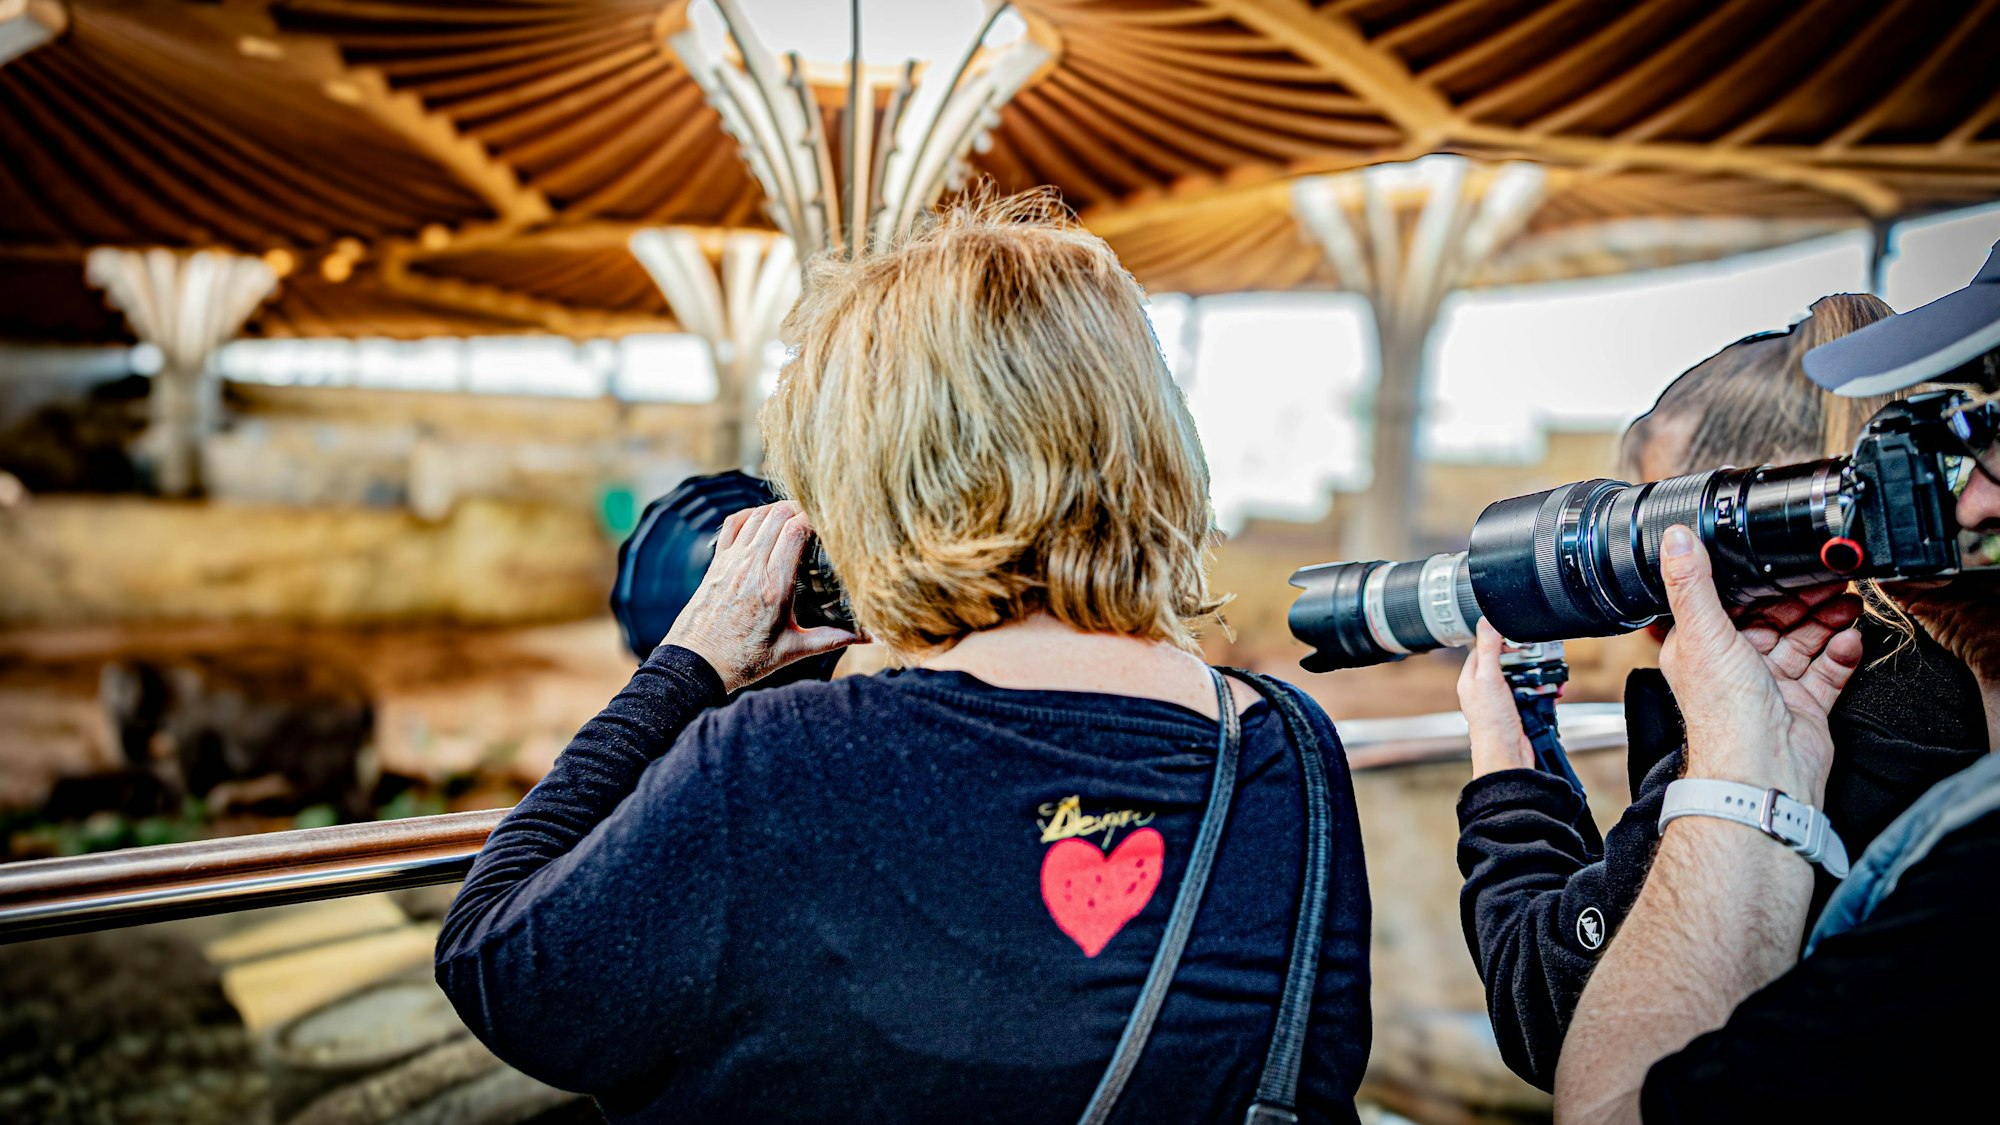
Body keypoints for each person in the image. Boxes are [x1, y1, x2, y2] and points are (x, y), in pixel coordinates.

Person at [432, 193, 1373, 1123]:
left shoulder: (776, 760)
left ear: (878, 479)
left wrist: (688, 665)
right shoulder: (1293, 748)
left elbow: (498, 964)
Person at [1451, 294, 1988, 1090]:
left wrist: (1509, 766)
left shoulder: (1789, 719)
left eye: (1647, 529)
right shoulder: (1954, 677)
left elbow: (1560, 1016)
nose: (1634, 579)